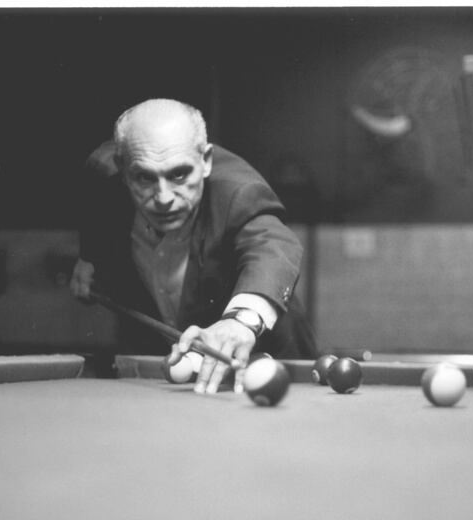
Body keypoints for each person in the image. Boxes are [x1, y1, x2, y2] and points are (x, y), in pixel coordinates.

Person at [71, 98, 317, 393]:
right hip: (166, 361)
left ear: (206, 160)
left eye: (179, 174)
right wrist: (89, 256)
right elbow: (92, 203)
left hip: (265, 356)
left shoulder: (239, 193)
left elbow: (272, 247)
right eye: (145, 178)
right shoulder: (102, 173)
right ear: (122, 169)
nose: (164, 198)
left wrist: (241, 321)